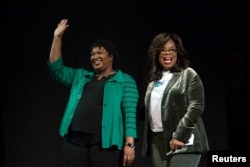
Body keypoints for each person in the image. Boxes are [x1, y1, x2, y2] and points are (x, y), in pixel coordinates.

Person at [47, 19, 139, 167]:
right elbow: (56, 69)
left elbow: (129, 115)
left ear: (111, 57)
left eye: (100, 53)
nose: (95, 57)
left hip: (104, 143)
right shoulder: (81, 77)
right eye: (92, 54)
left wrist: (130, 144)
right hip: (74, 141)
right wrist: (57, 37)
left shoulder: (125, 80)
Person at [141, 32, 209, 167]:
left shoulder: (188, 74)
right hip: (157, 141)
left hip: (182, 140)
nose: (168, 53)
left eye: (172, 50)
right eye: (163, 50)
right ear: (156, 54)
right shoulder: (153, 79)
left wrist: (180, 135)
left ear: (178, 53)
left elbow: (196, 106)